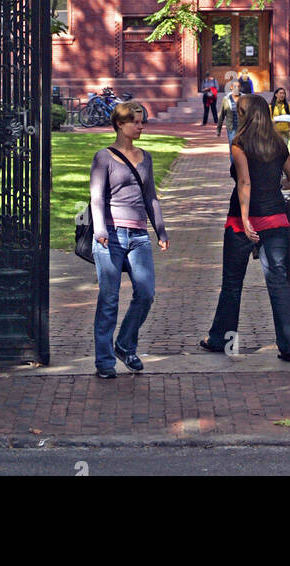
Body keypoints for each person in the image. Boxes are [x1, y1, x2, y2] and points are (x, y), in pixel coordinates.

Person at [201, 94, 290, 362]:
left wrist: (246, 219)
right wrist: (273, 188)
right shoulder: (278, 144)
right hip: (276, 219)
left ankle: (220, 339)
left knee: (232, 283)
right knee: (278, 282)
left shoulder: (239, 144)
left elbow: (244, 182)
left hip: (241, 221)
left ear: (245, 115)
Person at [90, 102, 169, 378]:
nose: (141, 126)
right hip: (109, 236)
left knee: (146, 293)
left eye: (142, 121)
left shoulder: (145, 157)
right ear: (120, 124)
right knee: (109, 298)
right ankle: (104, 361)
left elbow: (151, 197)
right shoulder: (103, 157)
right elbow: (97, 197)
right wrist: (99, 229)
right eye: (136, 122)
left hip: (138, 236)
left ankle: (124, 345)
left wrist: (160, 230)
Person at [216, 81, 241, 155]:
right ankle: (233, 165)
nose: (236, 88)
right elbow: (222, 115)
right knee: (232, 147)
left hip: (242, 127)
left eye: (238, 87)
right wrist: (218, 129)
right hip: (231, 127)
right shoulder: (226, 99)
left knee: (242, 147)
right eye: (235, 87)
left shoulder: (244, 98)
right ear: (231, 88)